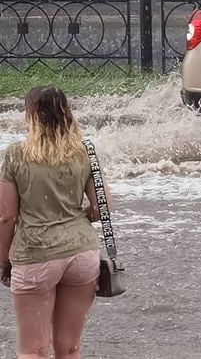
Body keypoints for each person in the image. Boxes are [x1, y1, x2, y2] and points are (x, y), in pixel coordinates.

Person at [0, 86, 110, 359]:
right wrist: (75, 218)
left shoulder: (16, 155)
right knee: (69, 348)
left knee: (33, 350)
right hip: (82, 255)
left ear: (32, 116)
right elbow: (102, 208)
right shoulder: (85, 152)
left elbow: (6, 217)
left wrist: (3, 261)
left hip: (36, 254)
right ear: (67, 113)